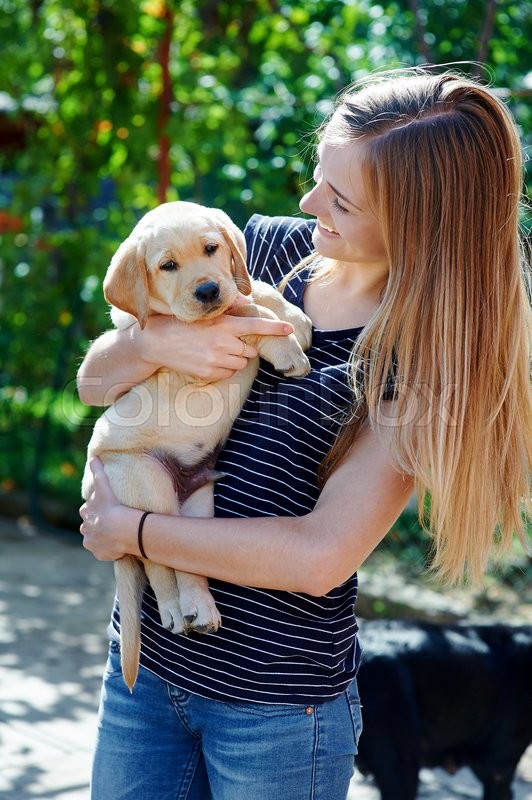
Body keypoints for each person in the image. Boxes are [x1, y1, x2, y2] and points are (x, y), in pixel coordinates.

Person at [78, 67, 531, 800]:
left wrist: (132, 529)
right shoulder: (258, 252)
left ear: (415, 223)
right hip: (148, 676)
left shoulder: (417, 361)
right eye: (319, 176)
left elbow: (319, 557)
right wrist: (152, 347)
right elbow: (96, 383)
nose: (307, 201)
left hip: (276, 711)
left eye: (340, 199)